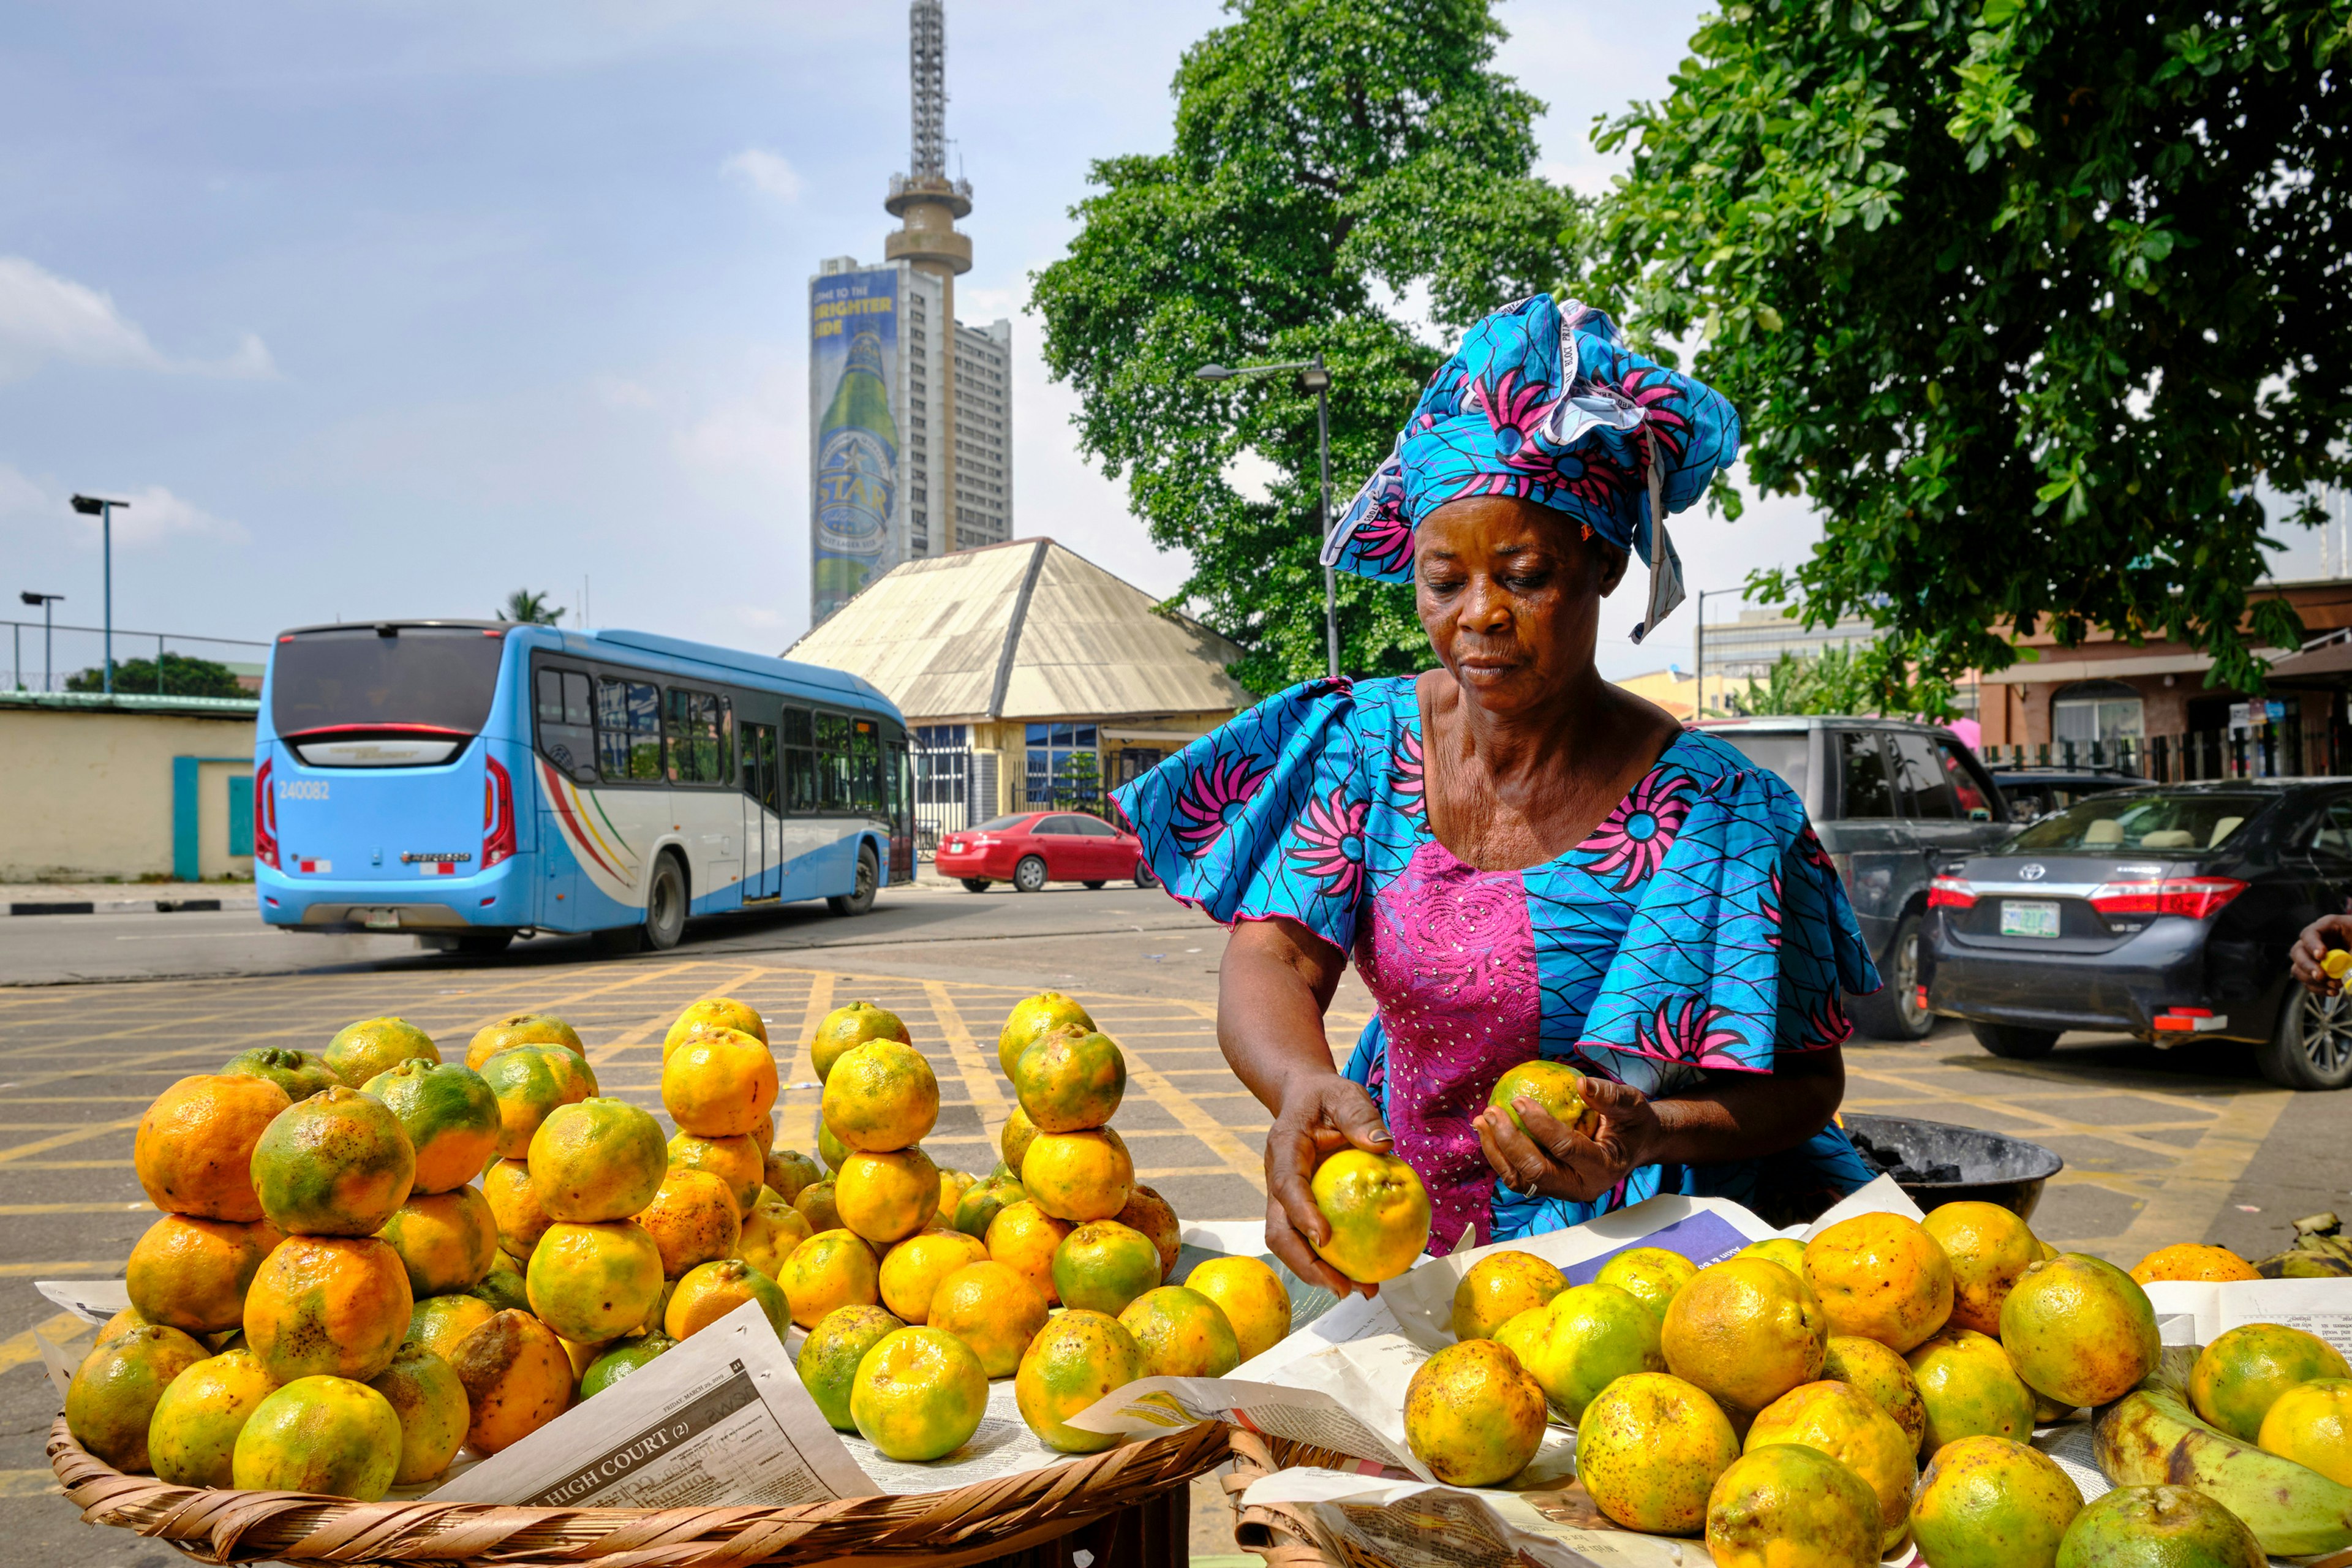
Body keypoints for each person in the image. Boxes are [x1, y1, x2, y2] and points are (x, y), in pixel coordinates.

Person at [1111, 295, 1883, 1297]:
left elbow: (1810, 1085)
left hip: (1670, 1275)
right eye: (1444, 582)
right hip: (1409, 1238)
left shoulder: (1723, 817)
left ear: (1603, 562)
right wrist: (1302, 1083)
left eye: (1524, 575)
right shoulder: (1363, 747)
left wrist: (1656, 1128)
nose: (1479, 616)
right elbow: (1271, 956)